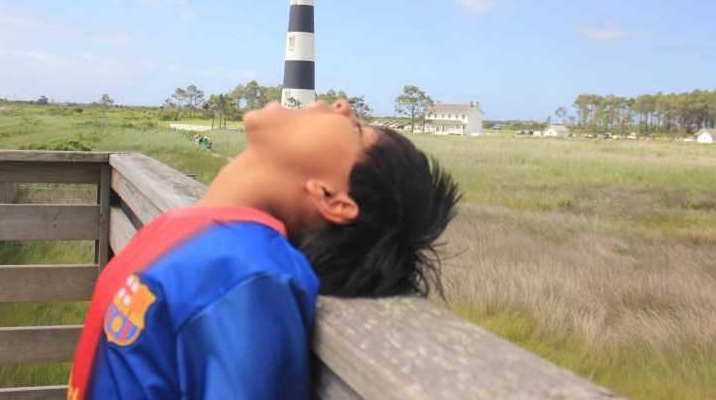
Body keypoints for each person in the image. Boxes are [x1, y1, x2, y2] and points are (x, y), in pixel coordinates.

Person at [67, 99, 460, 399]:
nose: (342, 105)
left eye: (356, 129)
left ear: (331, 197)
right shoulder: (193, 235)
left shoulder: (249, 278)